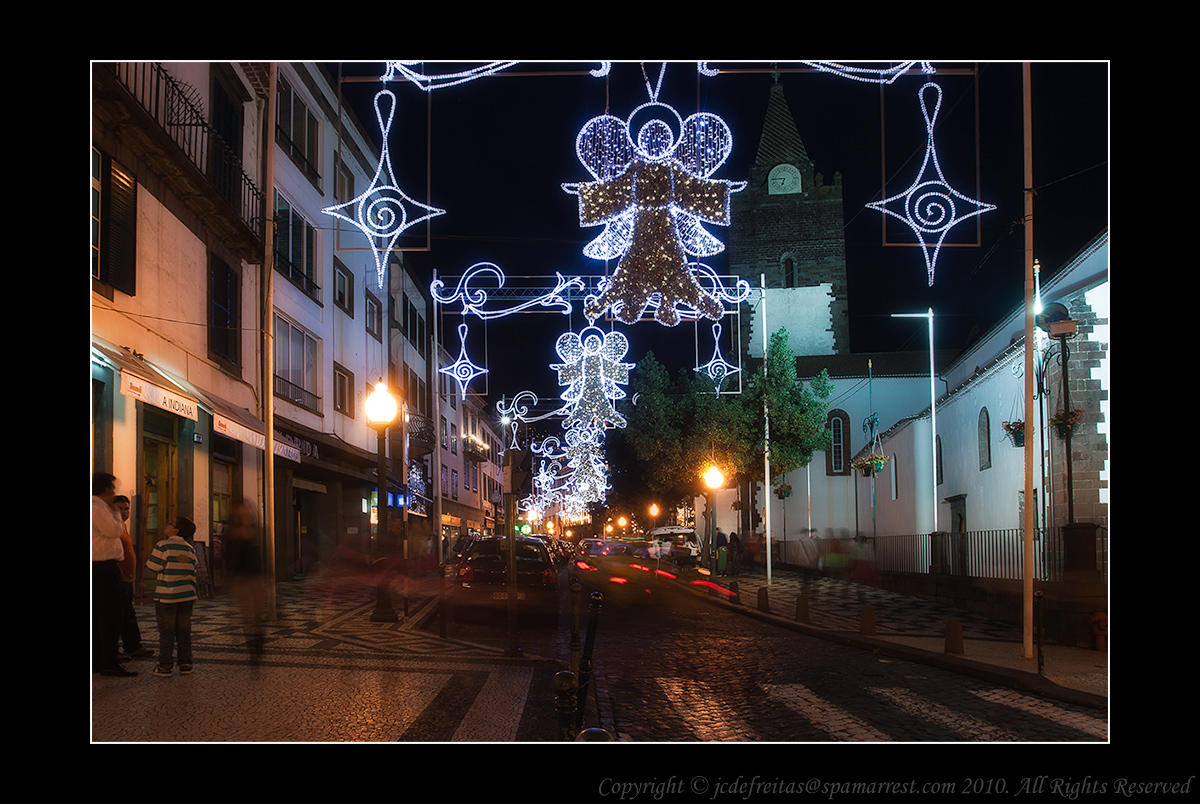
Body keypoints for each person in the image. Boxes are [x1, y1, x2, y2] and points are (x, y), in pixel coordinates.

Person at [94, 472, 136, 677]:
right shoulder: (97, 507)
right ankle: (108, 662)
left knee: (102, 614)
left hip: (103, 567)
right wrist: (117, 514)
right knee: (110, 615)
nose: (114, 492)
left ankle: (100, 660)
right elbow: (112, 532)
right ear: (104, 489)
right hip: (102, 567)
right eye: (112, 488)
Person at [145, 516, 198, 677]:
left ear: (176, 529)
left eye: (170, 523)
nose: (167, 525)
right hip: (187, 596)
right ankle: (186, 664)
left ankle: (165, 666)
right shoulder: (190, 549)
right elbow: (194, 568)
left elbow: (153, 566)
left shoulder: (162, 546)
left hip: (167, 596)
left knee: (167, 632)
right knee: (184, 631)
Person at [111, 495, 153, 661]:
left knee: (127, 613)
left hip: (126, 579)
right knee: (115, 615)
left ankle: (133, 646)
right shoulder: (111, 528)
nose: (123, 512)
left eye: (126, 508)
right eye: (119, 508)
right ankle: (113, 650)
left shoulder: (122, 526)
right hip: (117, 577)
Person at [225, 500, 266, 663]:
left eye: (247, 510)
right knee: (248, 616)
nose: (245, 513)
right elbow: (228, 556)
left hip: (257, 578)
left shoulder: (257, 530)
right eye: (242, 510)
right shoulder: (231, 533)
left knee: (258, 615)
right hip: (241, 580)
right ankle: (253, 650)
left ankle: (259, 643)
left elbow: (264, 555)